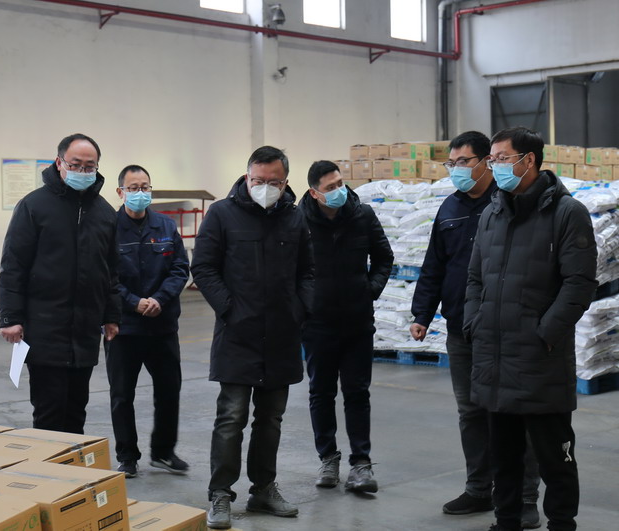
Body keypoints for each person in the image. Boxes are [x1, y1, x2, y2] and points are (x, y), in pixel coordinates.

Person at [463, 127, 597, 531]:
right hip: (494, 355)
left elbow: (579, 284)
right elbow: (475, 278)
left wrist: (544, 334)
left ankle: (561, 524)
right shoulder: (492, 214)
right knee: (504, 457)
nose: (495, 166)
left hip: (541, 361)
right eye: (492, 159)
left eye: (502, 158)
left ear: (529, 160)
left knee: (555, 457)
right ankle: (506, 522)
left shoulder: (567, 213)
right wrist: (475, 322)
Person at [410, 131, 542, 528]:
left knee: (515, 412)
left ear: (487, 162)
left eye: (463, 162)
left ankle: (524, 498)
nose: (456, 170)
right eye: (451, 164)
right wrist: (421, 314)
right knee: (470, 411)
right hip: (461, 328)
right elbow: (434, 264)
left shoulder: (508, 203)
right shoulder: (449, 208)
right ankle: (479, 488)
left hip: (503, 329)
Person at [191, 146, 314, 530]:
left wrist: (299, 310)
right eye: (257, 180)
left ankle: (263, 489)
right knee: (231, 417)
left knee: (270, 419)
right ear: (247, 177)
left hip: (281, 335)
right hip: (238, 335)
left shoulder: (295, 217)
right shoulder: (222, 214)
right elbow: (203, 267)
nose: (264, 187)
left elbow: (308, 271)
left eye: (273, 182)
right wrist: (229, 309)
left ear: (285, 182)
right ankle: (220, 494)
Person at [0, 133, 120, 434]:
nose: (82, 171)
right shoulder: (34, 206)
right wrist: (11, 318)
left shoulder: (104, 212)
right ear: (59, 162)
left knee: (76, 411)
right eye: (75, 164)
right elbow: (13, 265)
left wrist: (111, 315)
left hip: (85, 331)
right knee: (49, 413)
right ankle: (47, 464)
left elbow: (112, 270)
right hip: (44, 329)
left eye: (89, 166)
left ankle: (72, 463)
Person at [298, 160, 393, 493]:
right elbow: (290, 269)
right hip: (317, 324)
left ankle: (361, 463)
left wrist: (369, 291)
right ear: (315, 193)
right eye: (330, 187)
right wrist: (304, 305)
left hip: (357, 322)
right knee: (321, 392)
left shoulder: (362, 215)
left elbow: (384, 258)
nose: (339, 190)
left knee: (357, 392)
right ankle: (328, 458)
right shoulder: (299, 222)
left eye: (340, 183)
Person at [105, 164, 190, 479]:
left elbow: (180, 268)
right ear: (120, 192)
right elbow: (105, 276)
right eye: (133, 188)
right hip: (123, 328)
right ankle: (127, 456)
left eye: (145, 187)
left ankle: (163, 453)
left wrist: (159, 299)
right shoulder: (109, 228)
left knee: (169, 391)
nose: (140, 193)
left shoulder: (165, 226)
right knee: (121, 395)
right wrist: (133, 301)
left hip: (161, 325)